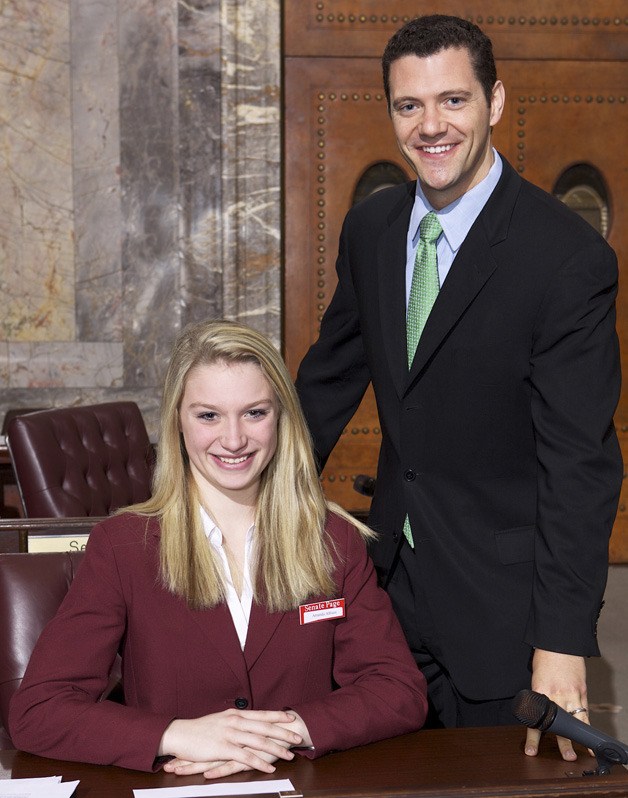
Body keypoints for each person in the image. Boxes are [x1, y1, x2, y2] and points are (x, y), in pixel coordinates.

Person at [295, 14, 622, 761]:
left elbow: (581, 465)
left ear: (495, 102)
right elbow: (324, 387)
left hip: (504, 614)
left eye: (453, 101)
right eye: (409, 106)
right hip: (387, 600)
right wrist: (233, 508)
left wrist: (563, 640)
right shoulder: (372, 229)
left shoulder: (565, 258)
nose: (430, 126)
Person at [9, 319, 427, 777]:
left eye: (255, 413)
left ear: (282, 418)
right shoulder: (123, 546)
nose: (233, 440)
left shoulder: (333, 539)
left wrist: (286, 730)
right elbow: (38, 711)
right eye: (208, 415)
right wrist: (177, 734)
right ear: (177, 423)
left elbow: (398, 690)